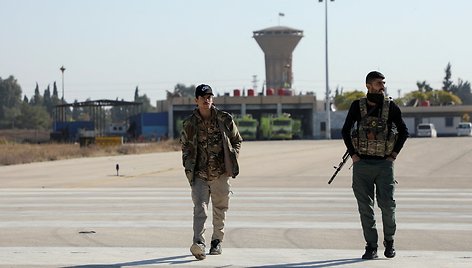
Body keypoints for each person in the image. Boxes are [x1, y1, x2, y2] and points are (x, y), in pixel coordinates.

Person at [341, 71, 409, 260]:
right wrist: (354, 155)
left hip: (383, 165)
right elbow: (345, 130)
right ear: (368, 85)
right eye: (379, 83)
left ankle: (390, 241)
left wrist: (393, 156)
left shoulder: (390, 107)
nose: (382, 86)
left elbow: (404, 131)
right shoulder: (357, 106)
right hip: (362, 165)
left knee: (387, 205)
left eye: (383, 83)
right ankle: (371, 246)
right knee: (365, 208)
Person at [180, 84, 242, 260]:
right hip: (199, 174)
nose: (207, 100)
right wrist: (187, 162)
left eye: (209, 97)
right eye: (203, 97)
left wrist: (232, 158)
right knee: (200, 209)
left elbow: (237, 140)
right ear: (196, 100)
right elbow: (184, 144)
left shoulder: (224, 119)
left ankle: (216, 241)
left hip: (220, 173)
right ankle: (198, 243)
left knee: (220, 209)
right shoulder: (189, 123)